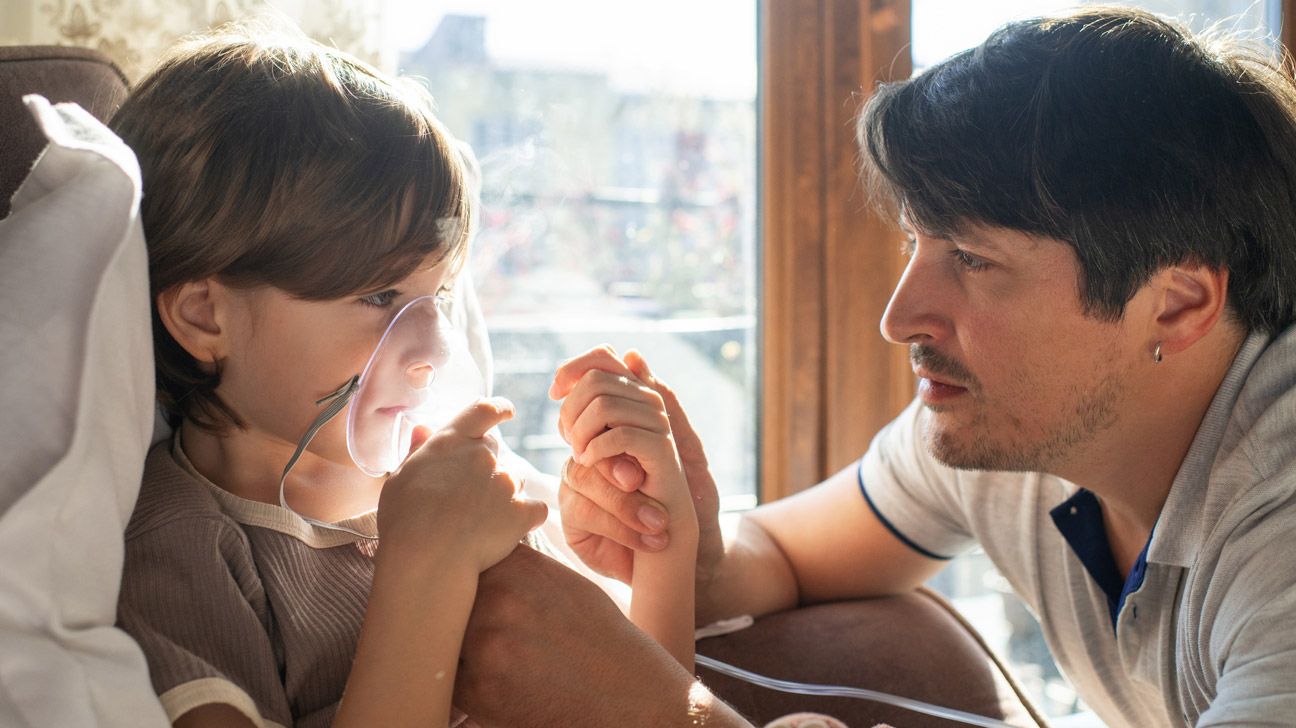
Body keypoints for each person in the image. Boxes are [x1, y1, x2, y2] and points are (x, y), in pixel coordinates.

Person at [458, 7, 1296, 727]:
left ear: (1179, 304)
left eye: (970, 258)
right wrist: (682, 540)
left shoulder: (1278, 531)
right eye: (915, 242)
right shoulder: (1024, 421)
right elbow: (785, 557)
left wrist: (658, 711)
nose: (899, 317)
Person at [110, 24, 711, 728]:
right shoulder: (182, 548)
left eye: (441, 298)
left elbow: (636, 708)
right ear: (205, 316)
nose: (433, 347)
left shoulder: (471, 486)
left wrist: (662, 547)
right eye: (378, 297)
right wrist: (428, 566)